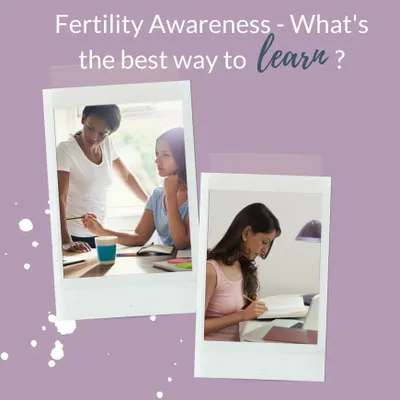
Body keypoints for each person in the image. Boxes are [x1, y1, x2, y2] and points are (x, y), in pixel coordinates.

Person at [56, 104, 148, 253]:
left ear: (109, 134)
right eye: (90, 128)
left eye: (102, 134)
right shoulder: (65, 150)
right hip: (75, 236)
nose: (94, 137)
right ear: (84, 119)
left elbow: (126, 176)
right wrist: (66, 241)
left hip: (100, 232)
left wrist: (150, 204)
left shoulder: (107, 145)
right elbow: (60, 197)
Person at [82, 127, 190, 250]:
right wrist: (101, 231)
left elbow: (181, 244)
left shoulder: (195, 197)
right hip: (165, 263)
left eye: (165, 155)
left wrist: (170, 195)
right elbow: (139, 237)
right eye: (157, 154)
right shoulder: (157, 196)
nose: (156, 160)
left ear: (183, 157)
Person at [204, 203, 281, 342]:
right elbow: (193, 327)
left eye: (269, 244)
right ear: (246, 233)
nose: (265, 250)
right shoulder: (211, 271)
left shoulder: (243, 267)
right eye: (264, 242)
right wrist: (242, 315)